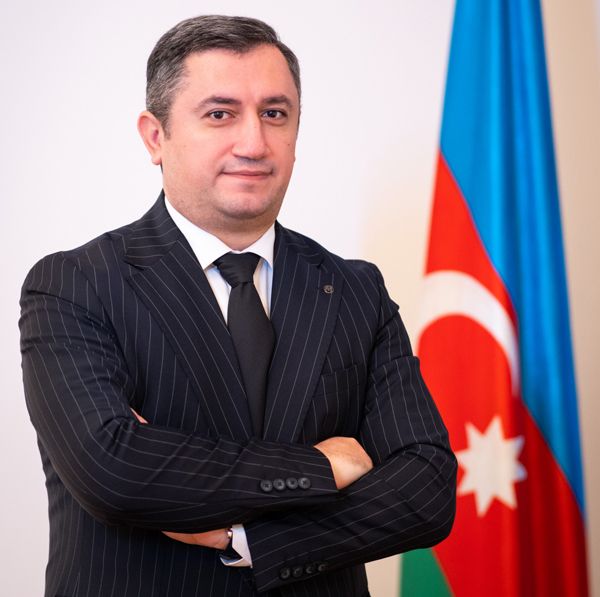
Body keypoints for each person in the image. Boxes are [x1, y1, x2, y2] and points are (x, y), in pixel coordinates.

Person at [19, 15, 457, 597]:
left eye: (274, 114)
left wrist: (252, 541)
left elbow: (427, 488)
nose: (254, 144)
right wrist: (321, 467)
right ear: (155, 137)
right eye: (220, 114)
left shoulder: (356, 289)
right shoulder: (75, 284)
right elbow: (114, 469)